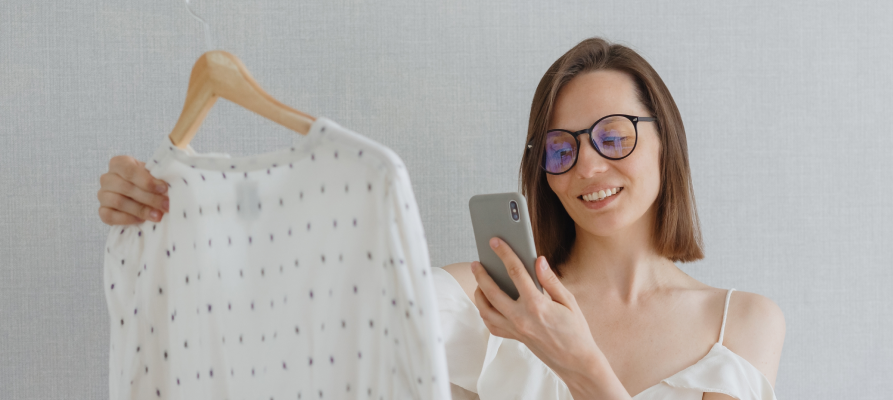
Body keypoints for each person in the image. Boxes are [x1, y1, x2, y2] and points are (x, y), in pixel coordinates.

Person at [97, 38, 784, 400]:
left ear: (665, 138)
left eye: (612, 136)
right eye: (560, 147)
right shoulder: (483, 301)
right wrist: (172, 209)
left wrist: (579, 365)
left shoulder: (740, 325)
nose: (587, 168)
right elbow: (305, 300)